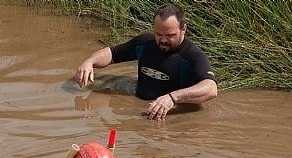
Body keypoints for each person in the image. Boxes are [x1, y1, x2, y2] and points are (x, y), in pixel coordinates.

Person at [75, 3, 218, 121]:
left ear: (183, 29)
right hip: (139, 108)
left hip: (170, 119)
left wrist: (172, 98)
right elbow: (113, 53)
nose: (162, 40)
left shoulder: (193, 55)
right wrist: (90, 61)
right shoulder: (145, 43)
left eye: (170, 35)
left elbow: (211, 88)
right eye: (158, 34)